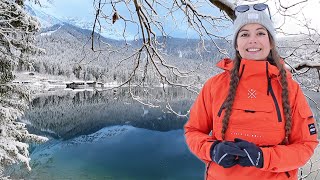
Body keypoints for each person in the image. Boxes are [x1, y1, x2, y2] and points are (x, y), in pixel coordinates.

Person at [184, 3, 319, 180]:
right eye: (245, 34)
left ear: (270, 42)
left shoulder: (290, 89)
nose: (252, 40)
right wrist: (213, 149)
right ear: (237, 44)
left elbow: (305, 145)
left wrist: (264, 158)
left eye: (261, 33)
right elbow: (193, 131)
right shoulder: (214, 86)